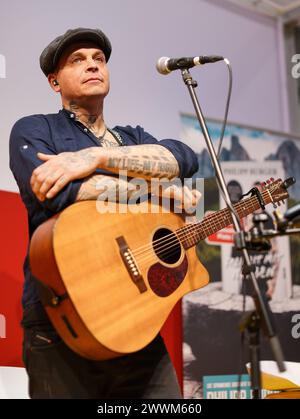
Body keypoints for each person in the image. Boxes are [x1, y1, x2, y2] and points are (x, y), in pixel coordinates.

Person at [9, 28, 200, 399]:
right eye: (77, 60)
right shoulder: (35, 129)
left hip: (135, 320)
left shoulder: (132, 137)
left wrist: (95, 158)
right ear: (54, 82)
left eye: (99, 59)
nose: (92, 65)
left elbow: (183, 159)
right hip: (63, 321)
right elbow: (60, 193)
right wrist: (154, 191)